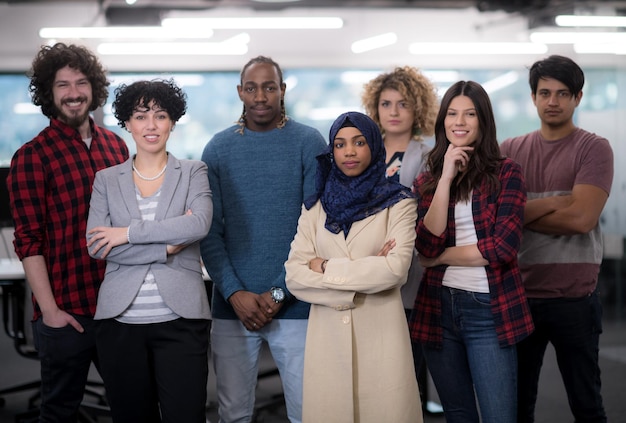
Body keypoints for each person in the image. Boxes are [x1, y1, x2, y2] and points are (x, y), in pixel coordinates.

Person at [6, 42, 129, 421]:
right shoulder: (31, 156)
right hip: (68, 312)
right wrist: (51, 312)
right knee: (60, 412)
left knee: (134, 406)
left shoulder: (117, 147)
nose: (73, 93)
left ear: (94, 88)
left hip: (119, 308)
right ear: (48, 92)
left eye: (80, 82)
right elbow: (29, 242)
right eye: (62, 85)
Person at [200, 55, 327, 423]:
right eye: (252, 88)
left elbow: (315, 227)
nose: (260, 96)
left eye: (269, 87)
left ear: (282, 90)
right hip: (231, 307)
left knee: (307, 413)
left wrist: (277, 293)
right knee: (233, 414)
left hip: (297, 304)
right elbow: (210, 231)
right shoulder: (218, 149)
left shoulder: (308, 142)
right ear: (240, 92)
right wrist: (234, 292)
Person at [85, 79, 212, 422]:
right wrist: (167, 246)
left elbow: (198, 224)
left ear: (173, 121)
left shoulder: (193, 171)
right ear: (127, 123)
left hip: (181, 320)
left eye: (160, 115)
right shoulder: (106, 180)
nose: (151, 125)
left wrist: (126, 234)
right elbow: (97, 246)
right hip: (120, 323)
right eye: (141, 116)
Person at [409, 80, 534, 423]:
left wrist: (444, 258)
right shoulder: (429, 179)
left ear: (483, 121)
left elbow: (501, 249)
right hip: (438, 307)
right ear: (443, 121)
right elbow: (427, 244)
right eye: (452, 113)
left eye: (469, 113)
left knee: (499, 415)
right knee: (458, 415)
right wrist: (446, 177)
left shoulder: (506, 173)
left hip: (488, 309)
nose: (459, 121)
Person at [284, 111, 421, 423]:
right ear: (331, 151)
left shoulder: (399, 202)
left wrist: (325, 266)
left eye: (359, 142)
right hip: (327, 344)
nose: (349, 151)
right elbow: (294, 276)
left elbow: (394, 271)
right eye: (340, 144)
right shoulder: (316, 207)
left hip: (381, 342)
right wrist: (368, 267)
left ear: (373, 146)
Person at [500, 55, 612, 423]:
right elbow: (497, 219)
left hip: (574, 298)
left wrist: (520, 215)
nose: (553, 101)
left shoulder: (594, 148)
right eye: (544, 92)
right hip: (519, 295)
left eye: (563, 93)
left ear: (578, 98)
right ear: (533, 97)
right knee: (517, 405)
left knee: (586, 405)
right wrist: (554, 202)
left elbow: (582, 219)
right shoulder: (509, 151)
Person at [361, 65, 439, 413]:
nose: (393, 112)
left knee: (410, 359)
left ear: (417, 108)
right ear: (375, 109)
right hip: (366, 265)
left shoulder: (429, 158)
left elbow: (429, 213)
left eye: (403, 104)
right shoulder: (361, 154)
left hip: (412, 268)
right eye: (386, 103)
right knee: (373, 363)